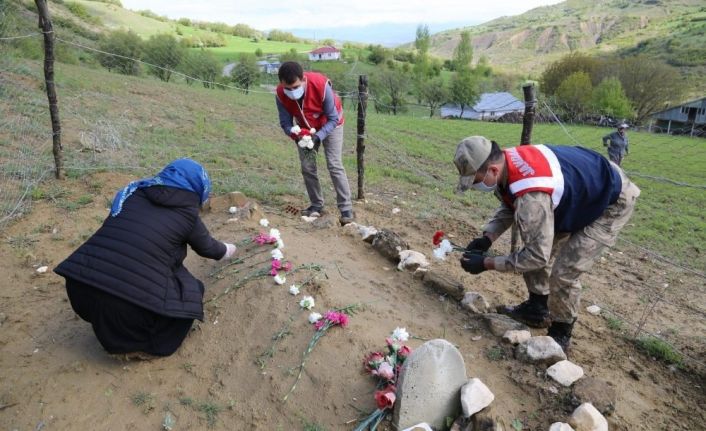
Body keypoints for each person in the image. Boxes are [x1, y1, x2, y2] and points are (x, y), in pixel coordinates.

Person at [453, 136, 640, 353]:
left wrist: (486, 263)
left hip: (611, 199)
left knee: (563, 272)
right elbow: (510, 203)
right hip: (577, 192)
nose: (475, 187)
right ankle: (537, 308)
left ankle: (561, 332)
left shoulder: (531, 197)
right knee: (535, 240)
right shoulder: (504, 164)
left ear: (493, 170)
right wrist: (488, 237)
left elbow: (536, 256)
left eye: (475, 181)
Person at [54, 159, 236, 358]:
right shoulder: (187, 213)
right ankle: (138, 346)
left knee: (136, 276)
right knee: (191, 290)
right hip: (125, 306)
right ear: (199, 188)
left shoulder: (133, 194)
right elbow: (210, 249)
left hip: (80, 288)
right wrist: (229, 248)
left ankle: (112, 326)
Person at [275, 61, 354, 225]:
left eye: (295, 87)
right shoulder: (280, 95)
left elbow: (333, 118)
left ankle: (346, 209)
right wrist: (296, 135)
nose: (291, 92)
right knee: (307, 166)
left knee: (334, 164)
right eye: (287, 89)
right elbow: (285, 123)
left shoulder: (320, 85)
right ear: (281, 83)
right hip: (305, 129)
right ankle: (316, 205)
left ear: (303, 79)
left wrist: (319, 136)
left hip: (331, 125)